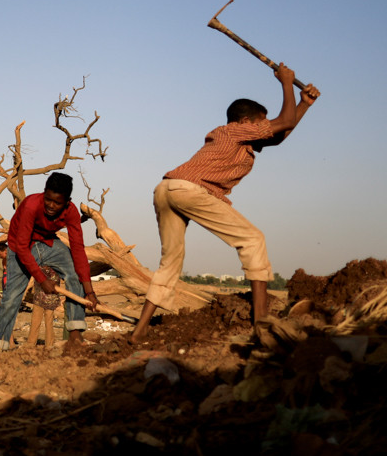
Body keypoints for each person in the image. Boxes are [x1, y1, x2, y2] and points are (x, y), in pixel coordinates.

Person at [128, 63, 319, 345]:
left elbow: (280, 133)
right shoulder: (233, 131)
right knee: (253, 239)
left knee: (170, 261)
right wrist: (286, 84)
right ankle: (261, 325)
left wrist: (303, 104)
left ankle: (140, 329)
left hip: (166, 188)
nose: (263, 129)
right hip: (190, 190)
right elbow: (284, 122)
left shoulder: (239, 139)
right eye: (261, 123)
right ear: (246, 122)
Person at [0, 172, 99, 355]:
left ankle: (75, 334)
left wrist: (90, 292)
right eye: (48, 199)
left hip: (48, 243)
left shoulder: (71, 212)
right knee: (11, 298)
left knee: (74, 273)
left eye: (57, 202)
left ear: (67, 201)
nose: (51, 206)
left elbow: (79, 250)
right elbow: (23, 248)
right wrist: (41, 279)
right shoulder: (31, 205)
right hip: (20, 245)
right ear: (44, 193)